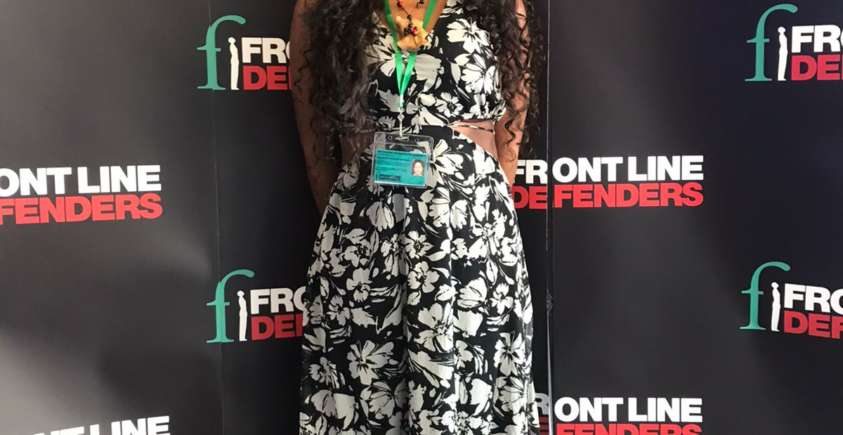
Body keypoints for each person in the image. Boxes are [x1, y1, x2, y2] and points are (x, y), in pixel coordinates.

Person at [290, 0, 544, 433]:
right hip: (366, 236)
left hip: (469, 234)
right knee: (368, 384)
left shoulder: (499, 4)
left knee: (470, 381)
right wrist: (358, 213)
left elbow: (511, 128)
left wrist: (469, 203)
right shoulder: (323, 5)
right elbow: (314, 133)